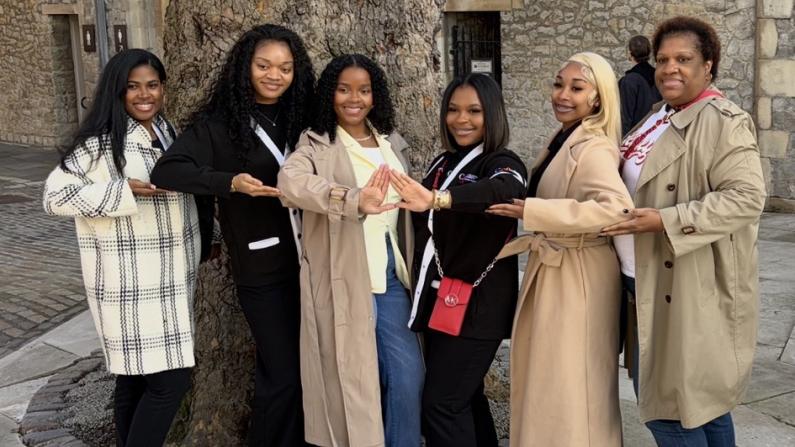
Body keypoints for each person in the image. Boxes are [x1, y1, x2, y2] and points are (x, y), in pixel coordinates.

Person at [601, 16, 766, 447]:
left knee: (669, 409)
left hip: (687, 282)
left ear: (708, 65)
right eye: (663, 60)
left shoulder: (724, 120)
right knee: (701, 406)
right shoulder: (659, 114)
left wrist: (665, 220)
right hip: (642, 276)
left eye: (684, 59)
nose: (669, 68)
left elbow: (747, 198)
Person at [149, 24, 314, 447]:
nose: (274, 75)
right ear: (245, 66)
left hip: (315, 263)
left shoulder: (303, 115)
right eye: (263, 65)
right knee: (284, 374)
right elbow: (167, 170)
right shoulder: (219, 125)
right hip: (262, 269)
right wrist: (230, 183)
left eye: (284, 67)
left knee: (309, 368)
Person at [43, 49, 200, 447]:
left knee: (133, 381)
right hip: (130, 285)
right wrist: (119, 190)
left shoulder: (167, 130)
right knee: (170, 382)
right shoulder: (99, 144)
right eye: (133, 87)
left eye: (152, 85)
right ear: (117, 91)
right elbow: (53, 197)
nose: (144, 95)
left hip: (172, 276)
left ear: (163, 88)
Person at [277, 54, 424, 447]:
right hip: (346, 274)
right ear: (330, 94)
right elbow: (290, 183)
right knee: (356, 381)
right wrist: (352, 199)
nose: (353, 98)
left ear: (376, 96)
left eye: (363, 90)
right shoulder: (316, 144)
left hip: (391, 274)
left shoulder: (391, 142)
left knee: (407, 375)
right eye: (343, 89)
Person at [488, 52, 632, 446]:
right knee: (552, 379)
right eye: (558, 84)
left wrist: (535, 211)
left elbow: (616, 208)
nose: (562, 95)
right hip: (559, 266)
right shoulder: (565, 137)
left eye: (576, 87)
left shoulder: (594, 147)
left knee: (570, 383)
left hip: (578, 274)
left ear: (597, 98)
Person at [388, 72, 527, 447]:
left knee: (441, 406)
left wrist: (439, 200)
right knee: (464, 398)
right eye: (453, 110)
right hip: (443, 301)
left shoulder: (502, 161)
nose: (461, 119)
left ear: (493, 115)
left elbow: (507, 190)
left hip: (478, 308)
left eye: (474, 111)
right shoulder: (444, 163)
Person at [619, 35, 662, 136]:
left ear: (630, 53)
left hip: (634, 138)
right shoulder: (659, 77)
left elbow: (624, 118)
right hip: (656, 135)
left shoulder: (629, 81)